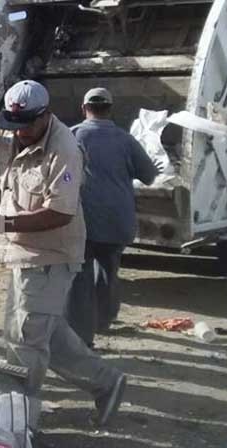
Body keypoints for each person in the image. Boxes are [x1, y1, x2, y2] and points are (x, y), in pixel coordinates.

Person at [0, 74, 126, 426]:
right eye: (13, 124)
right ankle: (106, 382)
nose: (19, 132)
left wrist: (2, 223)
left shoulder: (64, 148)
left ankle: (20, 419)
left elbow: (60, 213)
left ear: (44, 115)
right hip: (23, 251)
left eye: (26, 125)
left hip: (52, 255)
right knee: (42, 330)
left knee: (25, 339)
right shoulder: (12, 128)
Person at [67, 88, 160, 347]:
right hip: (118, 222)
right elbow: (150, 176)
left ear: (83, 106)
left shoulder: (72, 135)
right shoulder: (126, 140)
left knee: (81, 278)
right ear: (110, 108)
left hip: (83, 222)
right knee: (109, 271)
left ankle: (83, 338)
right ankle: (104, 321)